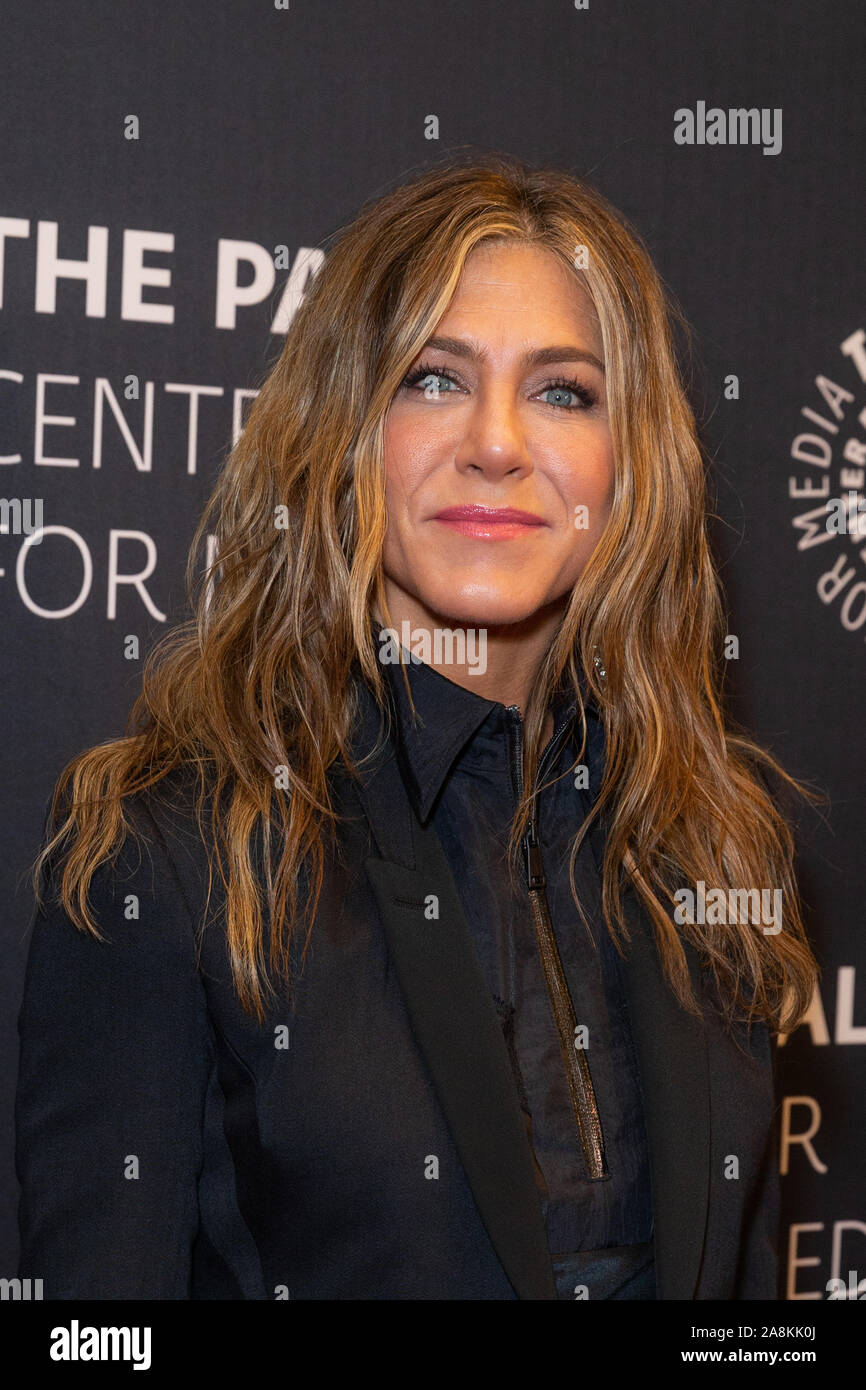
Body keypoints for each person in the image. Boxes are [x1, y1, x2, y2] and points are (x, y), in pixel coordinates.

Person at [16, 155, 818, 1300]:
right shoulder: (171, 849)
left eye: (562, 391)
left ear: (629, 463)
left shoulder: (713, 847)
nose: (495, 443)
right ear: (344, 433)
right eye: (433, 379)